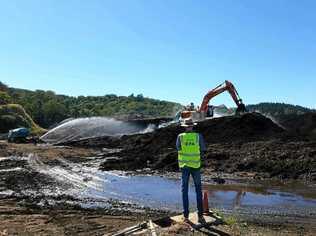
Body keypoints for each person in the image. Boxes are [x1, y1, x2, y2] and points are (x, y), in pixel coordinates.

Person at [176, 118, 207, 224]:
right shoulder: (198, 136)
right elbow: (203, 149)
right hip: (195, 166)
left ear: (185, 127)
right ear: (192, 126)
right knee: (198, 189)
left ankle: (186, 216)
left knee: (184, 190)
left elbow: (178, 149)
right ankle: (200, 216)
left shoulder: (180, 137)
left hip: (184, 166)